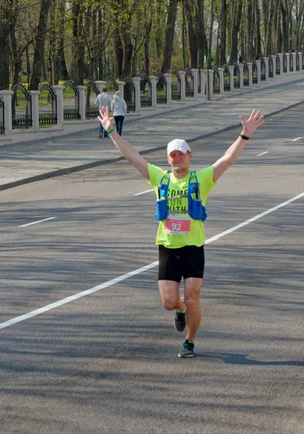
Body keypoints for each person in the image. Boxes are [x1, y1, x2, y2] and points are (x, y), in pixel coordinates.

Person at [97, 107, 265, 358]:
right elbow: (132, 156)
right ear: (168, 159)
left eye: (181, 154)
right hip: (167, 247)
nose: (177, 159)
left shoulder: (202, 179)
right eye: (172, 155)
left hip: (194, 247)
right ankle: (180, 310)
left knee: (193, 298)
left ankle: (189, 341)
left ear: (190, 156)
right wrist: (111, 131)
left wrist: (244, 135)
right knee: (168, 302)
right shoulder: (159, 179)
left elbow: (226, 160)